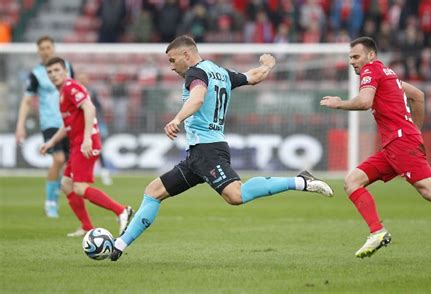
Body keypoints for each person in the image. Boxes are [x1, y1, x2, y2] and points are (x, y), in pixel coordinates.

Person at [110, 35, 334, 261]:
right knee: (153, 191)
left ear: (186, 55)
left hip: (207, 152)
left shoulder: (195, 73)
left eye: (172, 60)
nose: (171, 67)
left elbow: (197, 98)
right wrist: (267, 65)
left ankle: (300, 181)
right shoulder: (221, 72)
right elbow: (253, 77)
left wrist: (177, 119)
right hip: (199, 154)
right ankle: (118, 245)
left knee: (236, 195)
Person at [320, 36, 431, 267]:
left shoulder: (371, 70)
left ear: (371, 55)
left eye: (356, 56)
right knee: (352, 181)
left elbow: (364, 101)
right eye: (350, 57)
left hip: (401, 143)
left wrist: (339, 103)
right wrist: (416, 132)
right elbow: (418, 96)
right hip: (396, 144)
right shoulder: (388, 73)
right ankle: (377, 232)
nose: (352, 62)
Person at [40, 57, 134, 237]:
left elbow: (89, 108)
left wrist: (86, 139)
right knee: (66, 185)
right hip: (77, 143)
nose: (53, 75)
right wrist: (51, 142)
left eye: (57, 70)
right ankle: (86, 227)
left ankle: (121, 210)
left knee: (80, 188)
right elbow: (67, 125)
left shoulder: (70, 87)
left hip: (84, 144)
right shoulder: (62, 93)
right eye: (50, 72)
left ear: (65, 71)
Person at [15, 36, 73, 218]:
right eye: (42, 48)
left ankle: (57, 193)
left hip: (69, 122)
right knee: (58, 158)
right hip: (50, 123)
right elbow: (27, 100)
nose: (46, 51)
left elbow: (75, 89)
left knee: (69, 164)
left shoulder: (67, 67)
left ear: (53, 48)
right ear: (38, 51)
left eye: (48, 47)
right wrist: (20, 125)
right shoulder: (36, 74)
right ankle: (50, 201)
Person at [76, 72, 113, 186]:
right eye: (80, 78)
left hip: (93, 124)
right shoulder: (74, 92)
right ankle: (78, 174)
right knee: (77, 149)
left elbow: (99, 108)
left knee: (97, 149)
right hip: (78, 125)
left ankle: (104, 172)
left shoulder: (91, 92)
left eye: (84, 78)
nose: (82, 81)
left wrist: (99, 121)